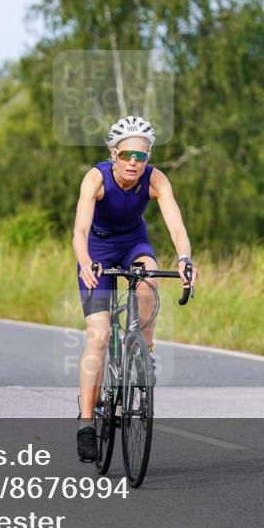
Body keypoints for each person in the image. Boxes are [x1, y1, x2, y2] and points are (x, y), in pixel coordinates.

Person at [72, 115, 198, 463]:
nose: (133, 162)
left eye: (140, 156)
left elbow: (176, 226)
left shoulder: (156, 180)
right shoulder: (96, 179)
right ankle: (85, 424)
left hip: (133, 244)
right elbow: (79, 230)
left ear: (148, 157)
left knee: (149, 277)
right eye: (126, 154)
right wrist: (84, 261)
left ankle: (143, 350)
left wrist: (185, 258)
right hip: (97, 251)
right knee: (98, 336)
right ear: (113, 153)